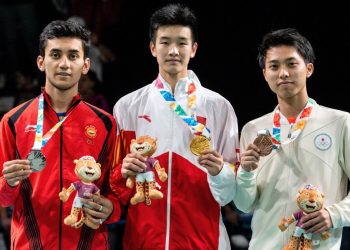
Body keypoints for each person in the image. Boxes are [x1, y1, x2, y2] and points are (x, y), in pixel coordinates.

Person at [110, 3, 239, 250]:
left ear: (194, 49)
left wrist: (219, 170)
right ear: (152, 48)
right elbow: (117, 187)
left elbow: (231, 192)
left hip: (205, 241)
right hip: (143, 241)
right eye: (165, 42)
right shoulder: (127, 107)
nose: (173, 51)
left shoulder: (218, 107)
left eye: (181, 42)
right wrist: (122, 172)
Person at [212, 28, 350, 249]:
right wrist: (246, 172)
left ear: (309, 69)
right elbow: (245, 204)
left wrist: (335, 215)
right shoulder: (252, 129)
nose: (283, 73)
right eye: (274, 66)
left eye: (291, 64)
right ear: (265, 74)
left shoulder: (340, 122)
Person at [0, 20, 121, 249]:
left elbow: (116, 190)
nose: (64, 64)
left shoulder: (106, 124)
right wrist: (9, 183)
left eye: (73, 56)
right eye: (55, 54)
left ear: (85, 65)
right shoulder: (13, 121)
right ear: (41, 62)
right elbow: (3, 197)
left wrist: (111, 207)